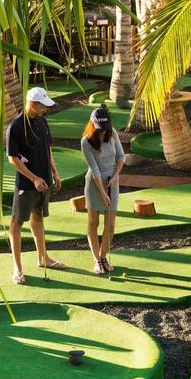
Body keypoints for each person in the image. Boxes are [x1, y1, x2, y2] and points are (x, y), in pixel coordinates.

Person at [6, 86, 64, 284]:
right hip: (26, 183)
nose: (45, 110)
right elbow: (12, 159)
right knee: (17, 222)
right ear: (32, 104)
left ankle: (43, 258)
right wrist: (33, 178)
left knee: (38, 217)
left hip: (44, 180)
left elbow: (47, 149)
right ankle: (17, 268)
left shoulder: (42, 121)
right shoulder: (15, 126)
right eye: (42, 107)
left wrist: (54, 173)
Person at [81, 105, 125, 274]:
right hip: (94, 183)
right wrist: (102, 193)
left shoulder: (112, 133)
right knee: (94, 222)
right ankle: (96, 260)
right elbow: (95, 170)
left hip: (113, 181)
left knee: (111, 223)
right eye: (99, 129)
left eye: (104, 129)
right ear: (92, 125)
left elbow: (121, 157)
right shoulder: (86, 142)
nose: (102, 132)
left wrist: (114, 178)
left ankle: (103, 256)